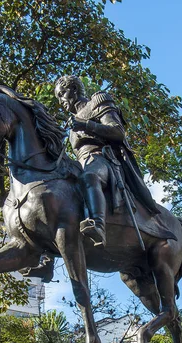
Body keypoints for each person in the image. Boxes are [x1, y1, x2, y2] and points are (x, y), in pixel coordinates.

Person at [54, 75, 160, 247]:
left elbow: (117, 131)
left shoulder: (97, 101)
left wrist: (86, 124)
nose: (60, 101)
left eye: (62, 93)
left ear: (74, 89)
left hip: (102, 159)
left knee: (90, 177)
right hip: (81, 163)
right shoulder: (71, 123)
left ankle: (98, 225)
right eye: (58, 97)